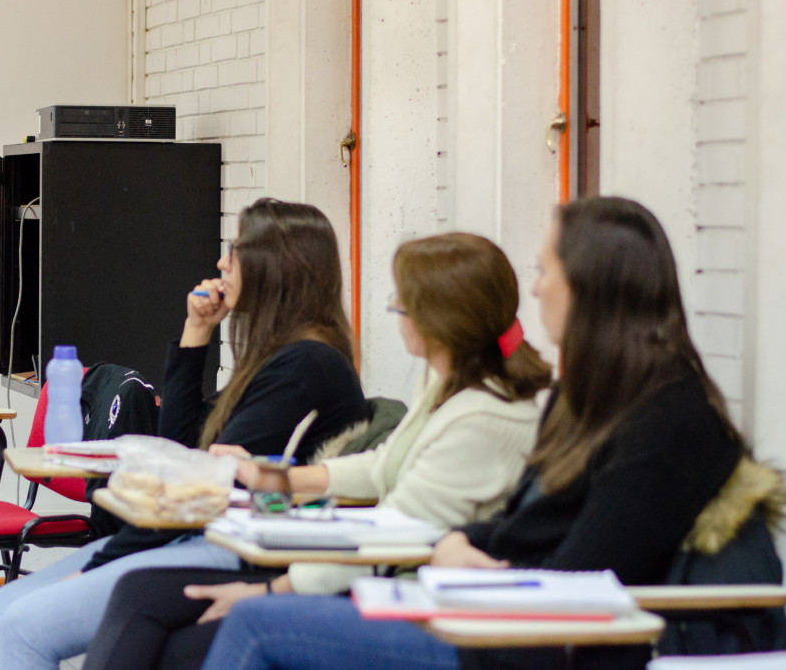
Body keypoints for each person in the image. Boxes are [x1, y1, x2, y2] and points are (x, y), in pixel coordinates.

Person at [195, 196, 747, 670]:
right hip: (489, 613)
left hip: (518, 644)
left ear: (589, 288)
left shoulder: (664, 420)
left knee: (256, 626)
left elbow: (582, 574)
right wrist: (462, 545)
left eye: (544, 271)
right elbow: (524, 527)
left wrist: (472, 562)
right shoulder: (590, 400)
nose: (534, 291)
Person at [83, 232, 554, 670]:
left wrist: (271, 591)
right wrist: (284, 478)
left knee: (186, 637)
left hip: (409, 593)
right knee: (139, 593)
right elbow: (383, 468)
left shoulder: (480, 416)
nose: (392, 305)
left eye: (402, 301)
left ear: (440, 318)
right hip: (371, 570)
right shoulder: (448, 386)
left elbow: (397, 531)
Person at [0, 198, 367, 669]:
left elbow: (196, 484)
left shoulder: (308, 365)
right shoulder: (275, 360)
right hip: (193, 538)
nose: (222, 262)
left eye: (235, 250)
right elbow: (181, 446)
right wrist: (195, 330)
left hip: (231, 549)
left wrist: (101, 563)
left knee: (25, 627)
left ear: (274, 268)